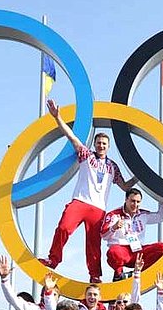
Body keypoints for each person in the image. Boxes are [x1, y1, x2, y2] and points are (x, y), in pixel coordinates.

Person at [40, 99, 138, 279]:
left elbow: (124, 186)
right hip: (80, 201)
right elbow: (71, 136)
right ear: (94, 144)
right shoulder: (86, 154)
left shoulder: (113, 167)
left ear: (108, 147)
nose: (101, 146)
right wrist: (57, 117)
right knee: (63, 228)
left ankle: (95, 275)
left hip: (98, 209)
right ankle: (53, 259)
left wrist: (139, 175)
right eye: (98, 143)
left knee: (93, 244)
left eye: (104, 144)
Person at [101, 188, 163, 280]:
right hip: (122, 251)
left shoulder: (142, 214)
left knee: (161, 248)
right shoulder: (113, 215)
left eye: (138, 202)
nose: (135, 205)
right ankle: (118, 275)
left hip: (138, 251)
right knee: (114, 252)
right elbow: (103, 235)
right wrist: (114, 228)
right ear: (126, 199)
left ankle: (136, 273)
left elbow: (161, 217)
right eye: (133, 201)